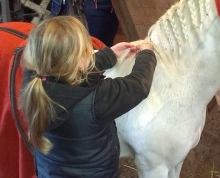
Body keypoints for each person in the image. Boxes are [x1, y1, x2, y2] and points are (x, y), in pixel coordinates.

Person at [19, 16, 157, 178]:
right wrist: (147, 54)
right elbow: (137, 86)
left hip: (50, 172)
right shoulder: (96, 99)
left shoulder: (33, 78)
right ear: (76, 61)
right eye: (86, 51)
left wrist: (108, 55)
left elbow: (67, 71)